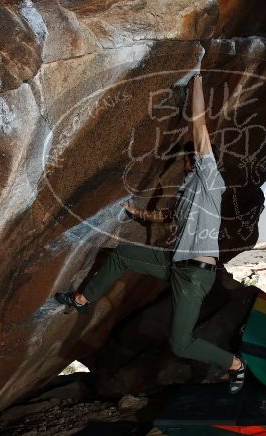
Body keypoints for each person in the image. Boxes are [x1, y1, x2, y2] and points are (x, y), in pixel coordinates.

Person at [54, 71, 248, 394]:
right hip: (175, 264)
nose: (185, 166)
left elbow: (199, 126)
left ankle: (236, 365)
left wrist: (198, 79)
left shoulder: (211, 180)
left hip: (194, 276)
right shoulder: (190, 193)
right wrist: (136, 212)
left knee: (180, 343)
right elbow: (165, 215)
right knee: (122, 255)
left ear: (194, 161)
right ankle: (82, 299)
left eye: (188, 162)